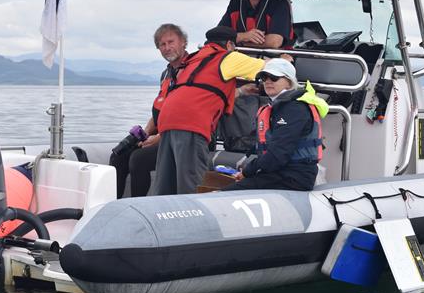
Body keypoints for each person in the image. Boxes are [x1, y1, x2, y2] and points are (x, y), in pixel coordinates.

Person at [153, 26, 266, 195]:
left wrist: (241, 91)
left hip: (167, 122)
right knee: (192, 184)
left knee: (166, 184)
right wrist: (286, 59)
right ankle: (192, 219)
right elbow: (269, 68)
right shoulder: (227, 57)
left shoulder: (194, 59)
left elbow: (204, 89)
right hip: (191, 123)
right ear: (229, 45)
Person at [109, 23, 188, 198]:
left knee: (139, 159)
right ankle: (111, 206)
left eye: (171, 42)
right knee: (118, 156)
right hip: (160, 132)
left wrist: (159, 138)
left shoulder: (193, 70)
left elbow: (186, 115)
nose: (167, 48)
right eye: (162, 44)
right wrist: (145, 133)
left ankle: (139, 208)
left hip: (180, 136)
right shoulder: (166, 74)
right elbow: (160, 109)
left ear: (183, 42)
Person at [225, 58, 328, 191]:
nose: (268, 81)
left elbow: (278, 154)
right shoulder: (279, 107)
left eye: (274, 77)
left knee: (224, 193)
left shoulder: (295, 108)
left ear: (289, 82)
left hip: (293, 177)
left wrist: (247, 171)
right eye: (264, 77)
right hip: (278, 173)